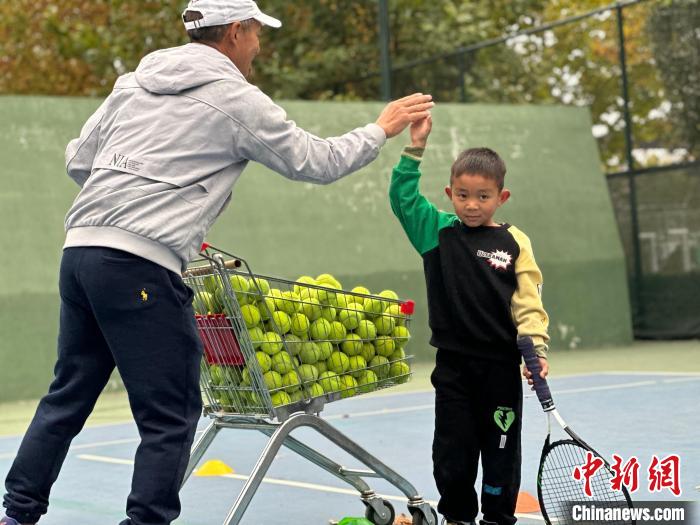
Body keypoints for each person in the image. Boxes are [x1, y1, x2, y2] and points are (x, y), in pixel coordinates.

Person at [0, 1, 434, 524]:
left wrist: (138, 204)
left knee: (68, 394)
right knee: (171, 414)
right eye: (255, 34)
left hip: (81, 253)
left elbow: (79, 159)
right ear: (234, 32)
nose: (258, 46)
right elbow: (316, 161)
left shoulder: (132, 83)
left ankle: (16, 513)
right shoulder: (237, 99)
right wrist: (381, 128)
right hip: (139, 265)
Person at [388, 114, 550, 525]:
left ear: (502, 197)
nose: (471, 205)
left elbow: (528, 301)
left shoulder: (514, 242)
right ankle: (458, 517)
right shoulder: (437, 234)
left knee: (500, 452)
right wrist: (415, 148)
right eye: (462, 195)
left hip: (500, 369)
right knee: (452, 451)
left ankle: (497, 517)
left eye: (482, 196)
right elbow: (402, 197)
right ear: (450, 193)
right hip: (453, 369)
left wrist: (537, 350)